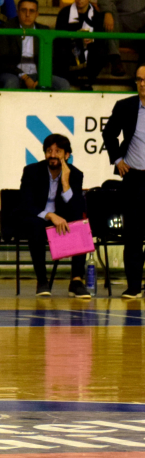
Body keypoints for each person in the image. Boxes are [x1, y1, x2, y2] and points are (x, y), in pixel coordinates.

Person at [18, 134, 88, 297]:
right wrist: (50, 215)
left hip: (62, 220)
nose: (53, 155)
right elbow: (25, 203)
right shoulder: (32, 171)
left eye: (58, 151)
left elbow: (76, 208)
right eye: (49, 151)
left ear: (67, 155)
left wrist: (65, 183)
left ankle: (76, 281)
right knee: (35, 225)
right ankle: (42, 281)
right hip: (38, 218)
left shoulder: (75, 174)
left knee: (80, 223)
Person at [100, 67, 145, 299]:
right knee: (133, 235)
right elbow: (109, 134)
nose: (143, 83)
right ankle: (134, 286)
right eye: (139, 79)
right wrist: (117, 159)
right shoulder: (125, 106)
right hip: (134, 178)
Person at [0, 0, 70, 90]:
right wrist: (24, 77)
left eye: (31, 11)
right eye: (24, 10)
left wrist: (42, 78)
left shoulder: (44, 30)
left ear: (37, 14)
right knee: (11, 82)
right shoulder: (6, 28)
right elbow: (2, 61)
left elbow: (51, 59)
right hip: (13, 73)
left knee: (63, 84)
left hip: (37, 74)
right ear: (17, 12)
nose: (27, 14)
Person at [91, 0, 145, 77]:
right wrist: (108, 12)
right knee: (111, 13)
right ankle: (115, 58)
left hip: (141, 36)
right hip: (119, 33)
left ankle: (140, 77)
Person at [56, 0, 105, 89]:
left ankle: (88, 80)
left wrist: (92, 39)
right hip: (69, 47)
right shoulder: (64, 13)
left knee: (100, 51)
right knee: (61, 50)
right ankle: (66, 78)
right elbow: (59, 36)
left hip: (89, 48)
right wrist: (77, 39)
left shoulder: (97, 16)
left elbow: (101, 37)